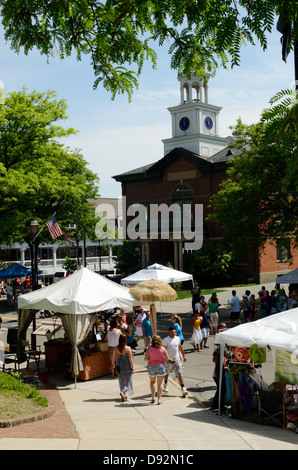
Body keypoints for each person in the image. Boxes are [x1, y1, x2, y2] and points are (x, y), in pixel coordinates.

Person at [144, 335, 172, 405]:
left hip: (151, 366)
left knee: (152, 382)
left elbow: (146, 359)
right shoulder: (162, 348)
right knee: (160, 383)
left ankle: (153, 397)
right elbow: (167, 358)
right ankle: (159, 399)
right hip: (160, 366)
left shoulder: (149, 348)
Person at [162, 326, 188, 397]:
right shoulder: (166, 340)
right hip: (168, 360)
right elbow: (163, 350)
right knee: (167, 373)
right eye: (172, 332)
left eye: (174, 332)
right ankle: (166, 384)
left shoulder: (178, 338)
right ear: (169, 332)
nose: (173, 333)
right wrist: (167, 358)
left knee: (180, 373)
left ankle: (183, 389)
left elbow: (180, 347)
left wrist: (183, 356)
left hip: (176, 359)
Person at [112, 334, 134, 402]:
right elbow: (130, 359)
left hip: (119, 367)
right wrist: (132, 367)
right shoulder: (128, 348)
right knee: (128, 381)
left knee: (121, 381)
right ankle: (126, 394)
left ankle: (122, 392)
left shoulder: (116, 348)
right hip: (127, 367)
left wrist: (112, 365)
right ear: (125, 340)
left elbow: (114, 358)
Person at [212, 345, 229, 413]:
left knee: (219, 391)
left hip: (216, 375)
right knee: (221, 391)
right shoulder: (222, 358)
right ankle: (220, 406)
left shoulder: (217, 357)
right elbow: (223, 367)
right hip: (220, 376)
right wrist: (228, 368)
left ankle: (215, 405)